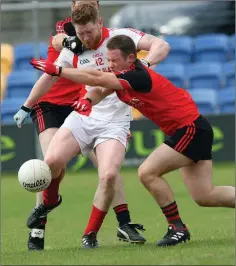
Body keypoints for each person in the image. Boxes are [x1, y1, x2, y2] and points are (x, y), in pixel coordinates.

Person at [31, 34, 235, 247]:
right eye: (108, 60)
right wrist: (87, 101)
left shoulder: (138, 75)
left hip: (190, 129)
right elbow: (101, 89)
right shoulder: (121, 73)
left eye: (114, 60)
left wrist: (59, 71)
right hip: (189, 129)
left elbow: (97, 79)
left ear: (131, 58)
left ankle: (177, 228)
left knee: (147, 172)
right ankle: (178, 228)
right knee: (205, 195)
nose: (110, 65)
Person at [14, 2, 170, 248]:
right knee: (50, 164)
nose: (85, 38)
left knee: (108, 173)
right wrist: (26, 106)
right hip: (58, 106)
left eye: (89, 32)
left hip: (90, 106)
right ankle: (39, 226)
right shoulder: (70, 31)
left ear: (100, 18)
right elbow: (56, 44)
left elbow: (159, 45)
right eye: (80, 33)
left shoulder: (119, 39)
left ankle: (114, 225)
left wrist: (144, 66)